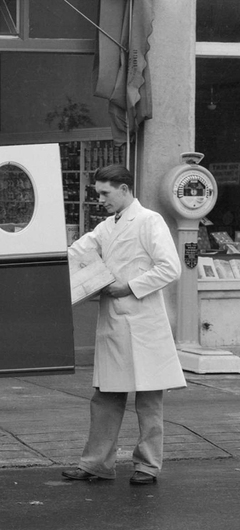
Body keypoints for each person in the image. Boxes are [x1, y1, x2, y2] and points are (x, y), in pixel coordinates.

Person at [62, 164, 185, 485]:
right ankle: (96, 463)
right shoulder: (106, 227)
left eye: (105, 193)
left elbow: (170, 268)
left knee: (149, 400)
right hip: (115, 324)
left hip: (144, 323)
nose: (100, 199)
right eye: (98, 193)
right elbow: (76, 252)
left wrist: (129, 286)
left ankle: (148, 465)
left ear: (125, 189)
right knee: (105, 397)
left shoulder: (149, 221)